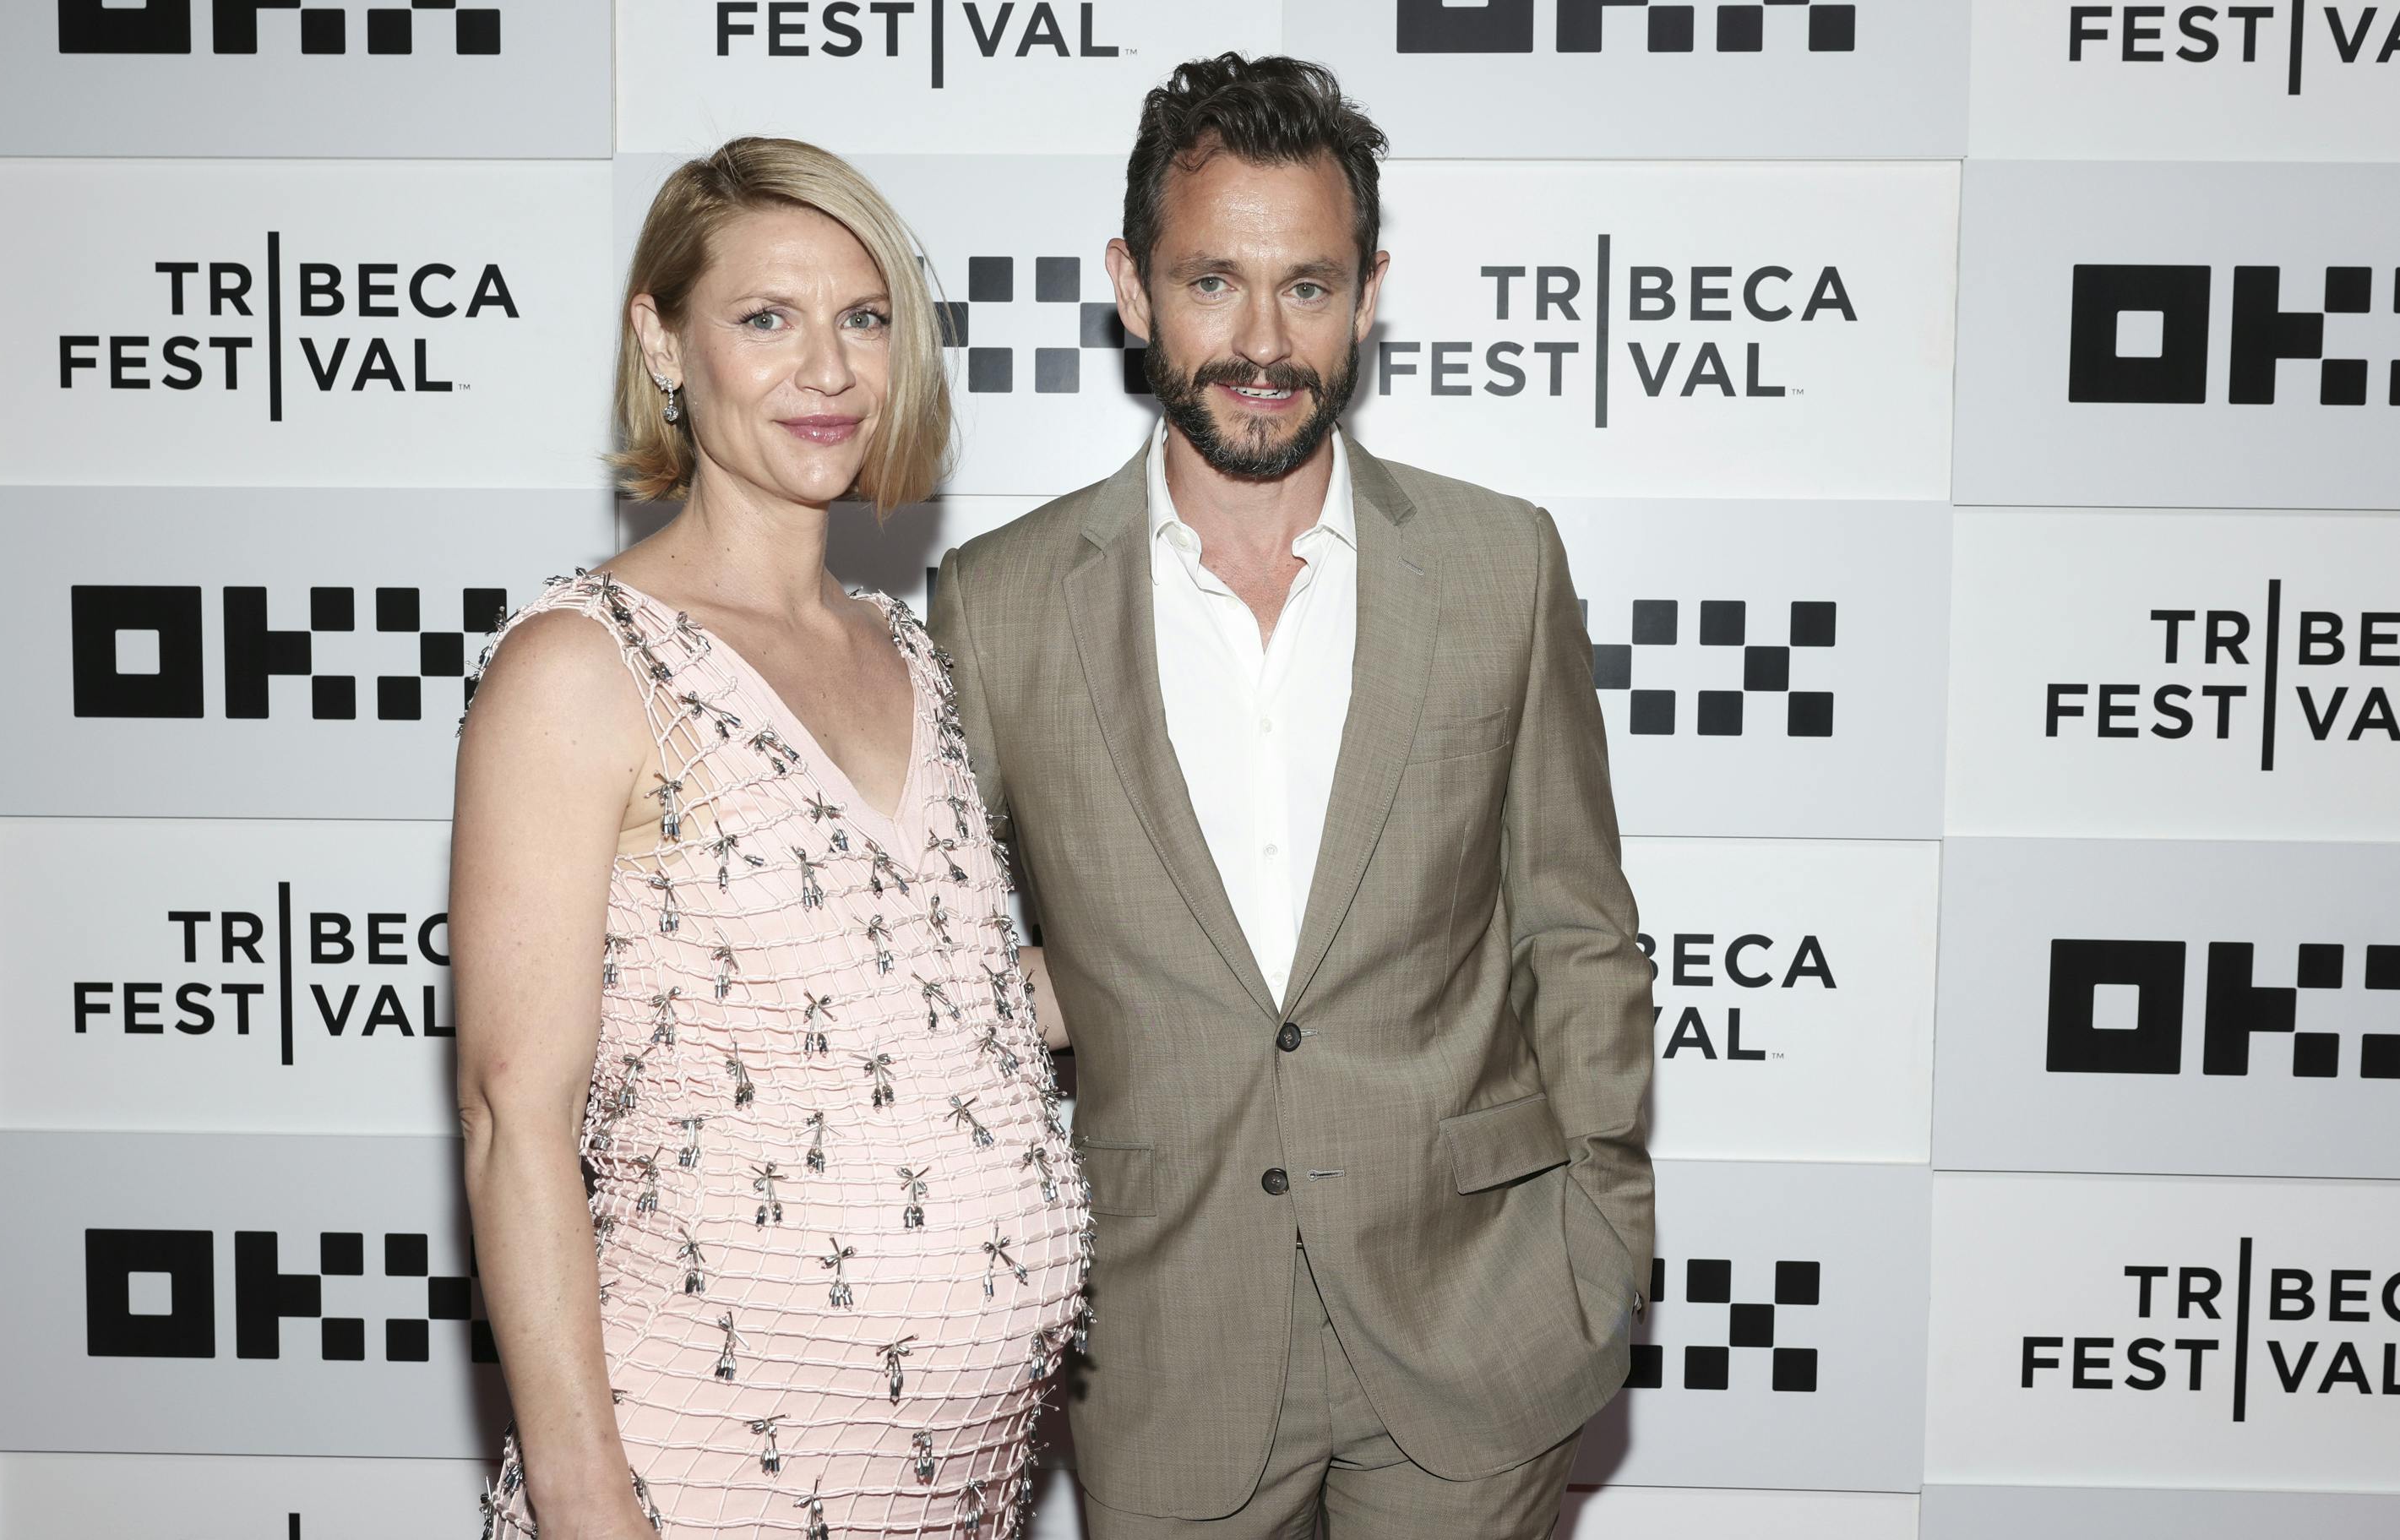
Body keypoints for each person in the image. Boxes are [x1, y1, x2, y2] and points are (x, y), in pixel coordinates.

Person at [928, 56, 1656, 1540]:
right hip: (1163, 1335)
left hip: (1478, 1316)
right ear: (1131, 287)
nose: (1260, 343)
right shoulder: (993, 608)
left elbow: (1576, 930)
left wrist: (1602, 1239)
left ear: (1369, 292)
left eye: (1307, 287)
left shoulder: (1495, 567)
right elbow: (941, 992)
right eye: (1211, 282)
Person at [451, 137, 1086, 1540]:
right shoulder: (582, 666)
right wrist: (585, 1510)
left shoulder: (909, 656)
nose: (829, 372)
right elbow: (512, 1117)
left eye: (864, 319)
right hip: (698, 1480)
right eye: (764, 320)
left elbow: (936, 1012)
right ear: (661, 344)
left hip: (951, 1499)